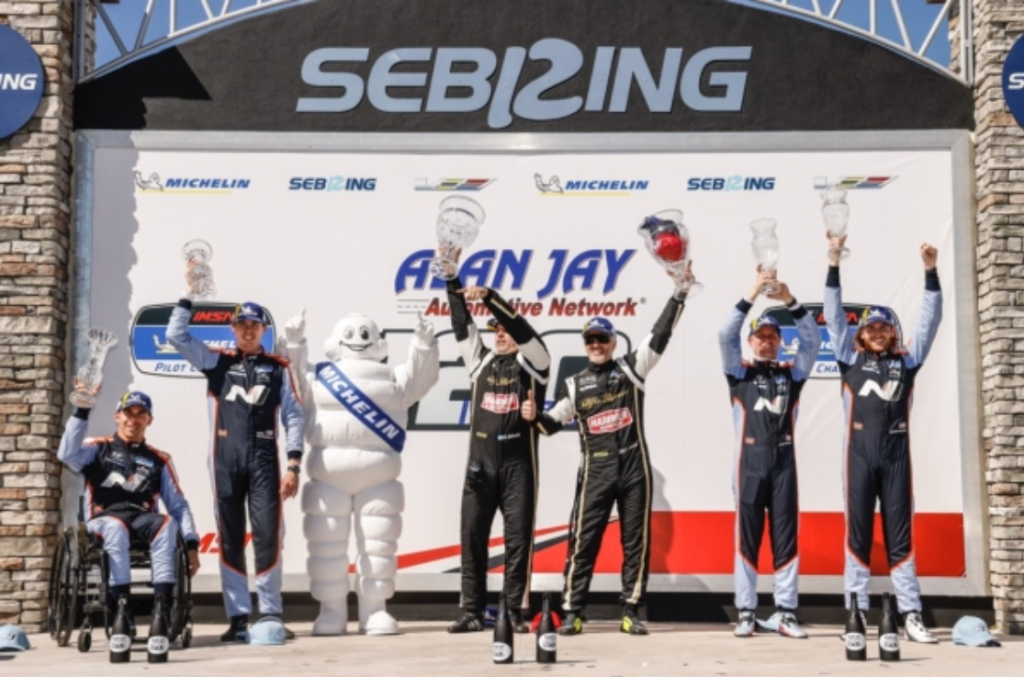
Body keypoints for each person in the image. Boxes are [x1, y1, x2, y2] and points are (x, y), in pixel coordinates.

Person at [523, 267, 690, 636]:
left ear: (613, 342)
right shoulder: (574, 384)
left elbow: (660, 335)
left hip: (633, 469)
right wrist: (533, 417)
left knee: (636, 543)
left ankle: (630, 610)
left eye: (602, 338)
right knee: (583, 542)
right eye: (590, 340)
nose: (596, 344)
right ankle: (572, 612)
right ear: (585, 345)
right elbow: (549, 425)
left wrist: (678, 295)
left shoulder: (631, 370)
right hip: (595, 472)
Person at [281, 309, 439, 635]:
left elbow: (421, 380)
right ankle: (331, 611)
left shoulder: (393, 378)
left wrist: (424, 345)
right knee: (325, 545)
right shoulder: (320, 377)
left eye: (364, 333)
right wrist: (293, 343)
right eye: (350, 333)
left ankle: (375, 610)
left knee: (378, 544)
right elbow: (294, 379)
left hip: (378, 477)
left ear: (378, 342)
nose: (357, 339)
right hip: (327, 475)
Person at [167, 285, 304, 642]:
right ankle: (239, 619)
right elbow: (175, 335)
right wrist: (188, 297)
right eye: (242, 325)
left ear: (263, 330)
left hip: (265, 462)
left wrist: (294, 464)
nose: (248, 330)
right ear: (233, 329)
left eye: (254, 326)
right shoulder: (216, 361)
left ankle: (271, 613)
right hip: (224, 462)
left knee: (268, 536)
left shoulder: (278, 369)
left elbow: (293, 415)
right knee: (229, 538)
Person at [824, 237, 942, 644]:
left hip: (896, 463)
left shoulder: (907, 361)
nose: (877, 333)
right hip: (858, 461)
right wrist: (833, 265)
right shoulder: (849, 358)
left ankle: (911, 615)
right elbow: (833, 316)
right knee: (857, 538)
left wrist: (930, 272)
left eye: (884, 328)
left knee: (901, 539)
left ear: (893, 334)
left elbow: (929, 323)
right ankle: (855, 614)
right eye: (871, 328)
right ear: (861, 334)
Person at [442, 250, 552, 634]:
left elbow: (524, 331)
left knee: (518, 541)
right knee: (472, 538)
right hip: (481, 466)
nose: (501, 334)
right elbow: (461, 322)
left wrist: (490, 297)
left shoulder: (536, 363)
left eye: (506, 330)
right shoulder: (479, 361)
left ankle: (514, 612)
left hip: (519, 467)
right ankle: (471, 611)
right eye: (496, 330)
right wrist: (452, 280)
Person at [718, 268, 819, 638]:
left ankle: (785, 613)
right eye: (759, 337)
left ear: (779, 341)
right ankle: (746, 611)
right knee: (747, 540)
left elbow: (812, 340)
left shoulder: (793, 373)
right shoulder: (738, 372)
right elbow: (724, 334)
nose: (765, 342)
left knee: (786, 539)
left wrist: (790, 300)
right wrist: (752, 293)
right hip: (748, 467)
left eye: (771, 336)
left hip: (783, 468)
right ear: (750, 341)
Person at [57, 385, 200, 633]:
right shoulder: (97, 448)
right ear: (117, 416)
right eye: (128, 413)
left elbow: (178, 506)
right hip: (104, 519)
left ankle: (162, 610)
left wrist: (191, 546)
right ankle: (121, 610)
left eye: (140, 414)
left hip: (142, 519)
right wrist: (82, 409)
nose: (133, 420)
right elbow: (67, 454)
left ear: (149, 420)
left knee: (167, 523)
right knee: (116, 527)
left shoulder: (160, 460)